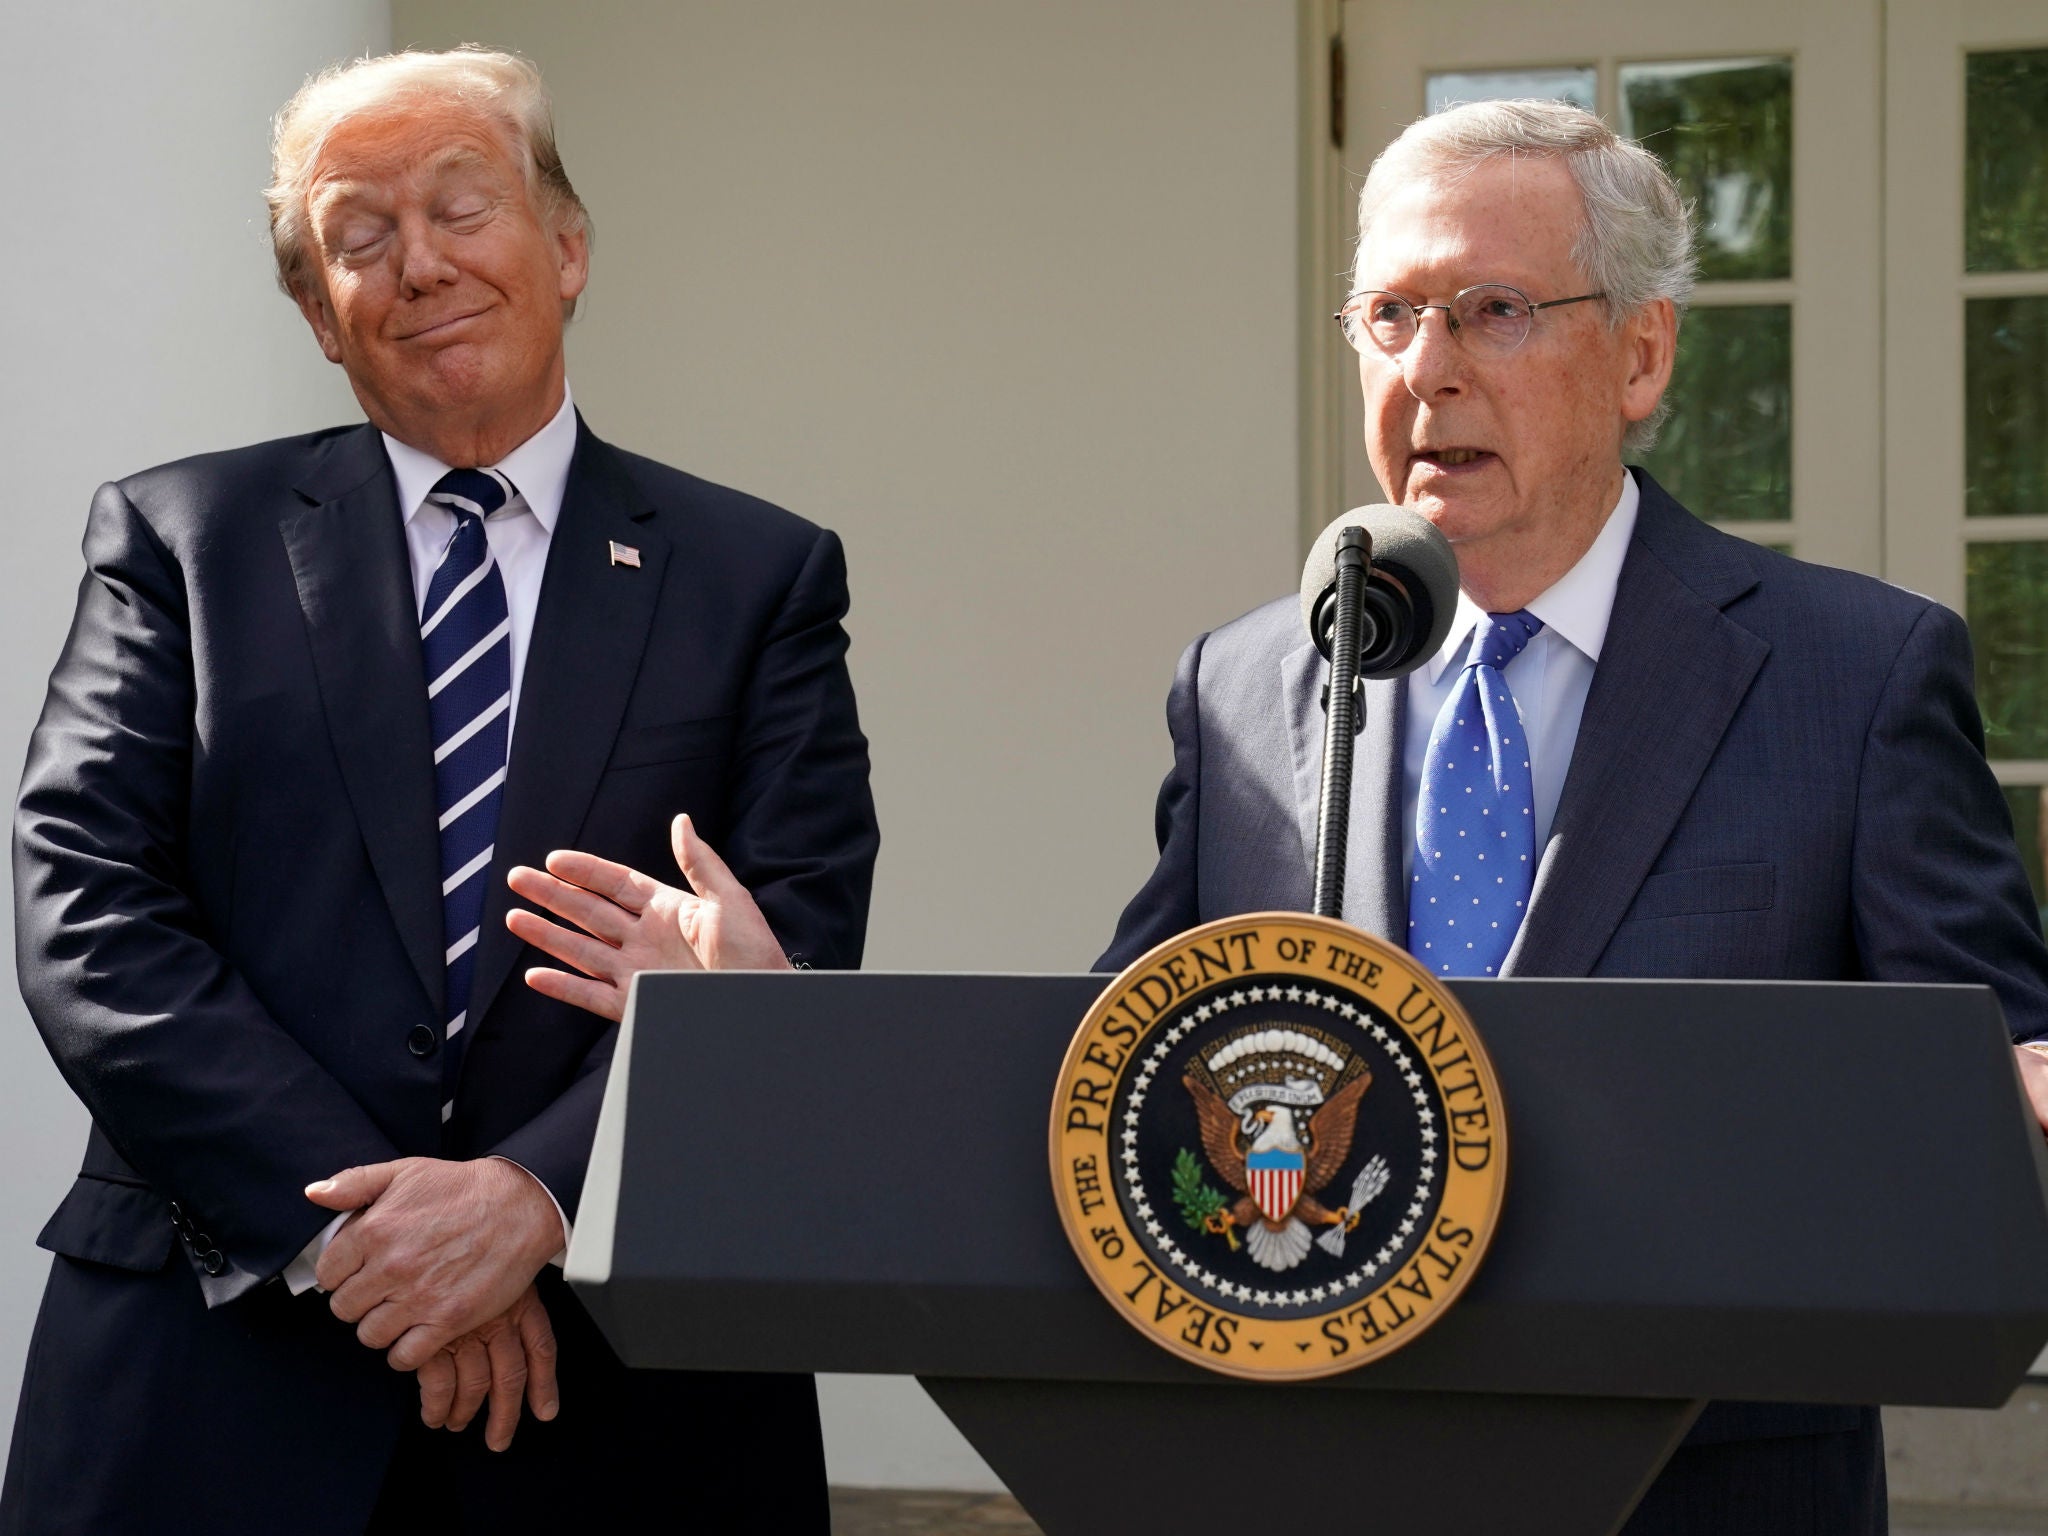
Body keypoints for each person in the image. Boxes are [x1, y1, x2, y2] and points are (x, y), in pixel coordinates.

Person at [1099, 98, 2048, 1535]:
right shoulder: (1246, 680)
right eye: (1392, 316)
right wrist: (772, 1015)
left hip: (1706, 1483)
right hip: (1315, 1467)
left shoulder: (1851, 677)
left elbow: (1985, 1075)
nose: (1431, 373)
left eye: (1493, 311)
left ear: (1643, 354)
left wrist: (2016, 1092)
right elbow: (1122, 1054)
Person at [4, 47, 875, 1534]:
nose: (419, 266)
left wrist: (525, 1204)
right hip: (218, 1370)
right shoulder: (177, 541)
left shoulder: (756, 578)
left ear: (569, 246)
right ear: (315, 315)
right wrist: (380, 1237)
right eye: (359, 238)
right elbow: (88, 911)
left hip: (618, 1390)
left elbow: (788, 951)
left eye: (463, 208)